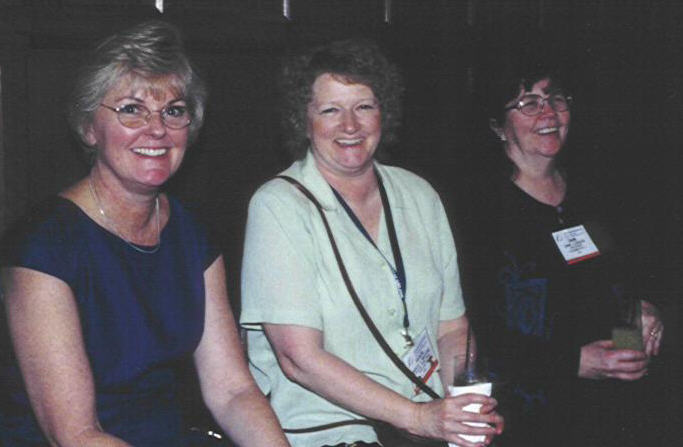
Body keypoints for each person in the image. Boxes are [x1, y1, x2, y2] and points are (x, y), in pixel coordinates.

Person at [0, 21, 289, 446]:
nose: (157, 129)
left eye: (173, 110)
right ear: (88, 128)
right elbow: (76, 435)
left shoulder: (192, 234)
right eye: (131, 109)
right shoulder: (42, 248)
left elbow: (233, 391)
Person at [240, 39, 503, 447]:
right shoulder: (278, 205)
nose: (350, 125)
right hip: (330, 431)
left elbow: (452, 328)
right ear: (302, 120)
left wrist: (464, 411)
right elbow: (298, 359)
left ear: (385, 112)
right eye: (330, 109)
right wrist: (420, 418)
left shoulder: (419, 195)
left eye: (364, 106)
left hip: (424, 423)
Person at [460, 62, 665, 446]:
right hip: (528, 415)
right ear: (496, 126)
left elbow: (630, 276)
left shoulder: (595, 191)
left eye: (555, 98)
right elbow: (472, 328)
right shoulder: (478, 212)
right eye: (528, 102)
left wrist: (645, 309)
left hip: (610, 408)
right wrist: (572, 360)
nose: (549, 113)